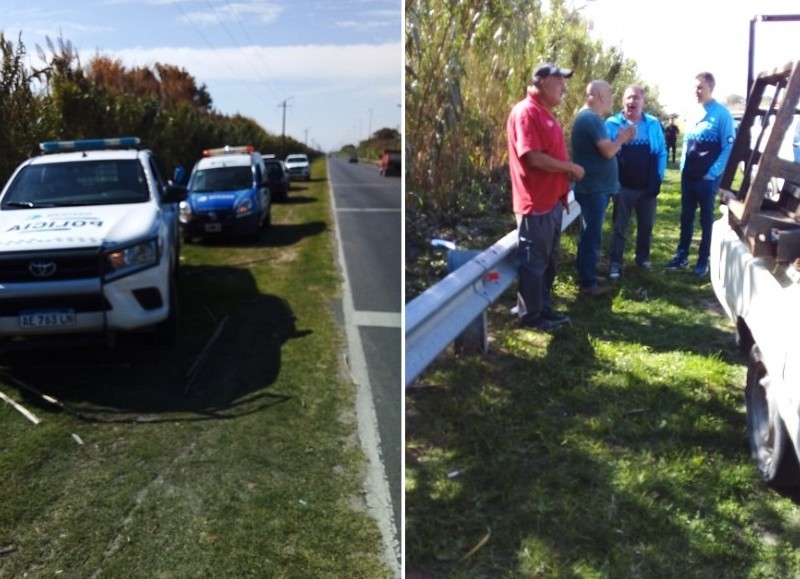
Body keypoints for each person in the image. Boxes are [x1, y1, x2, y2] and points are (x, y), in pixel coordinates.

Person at [507, 63, 585, 331]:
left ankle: (544, 308)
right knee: (534, 264)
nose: (564, 87)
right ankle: (531, 316)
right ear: (541, 83)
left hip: (551, 203)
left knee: (547, 262)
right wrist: (571, 168)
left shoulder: (544, 113)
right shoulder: (527, 112)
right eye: (559, 81)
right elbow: (533, 157)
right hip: (536, 203)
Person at [570, 80, 636, 295]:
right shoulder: (591, 119)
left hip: (595, 187)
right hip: (593, 188)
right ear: (598, 96)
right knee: (591, 236)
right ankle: (588, 283)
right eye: (609, 94)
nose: (612, 99)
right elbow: (608, 151)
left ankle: (587, 274)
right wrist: (622, 138)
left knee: (590, 234)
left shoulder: (588, 118)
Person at [666, 71, 735, 276]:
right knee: (686, 217)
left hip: (707, 179)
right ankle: (682, 256)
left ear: (710, 88)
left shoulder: (722, 114)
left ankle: (703, 260)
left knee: (706, 220)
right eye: (694, 87)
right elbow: (687, 141)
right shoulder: (693, 112)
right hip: (689, 176)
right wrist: (682, 166)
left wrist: (713, 173)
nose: (696, 91)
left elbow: (728, 147)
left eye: (700, 87)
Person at [605, 85, 667, 279]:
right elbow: (606, 153)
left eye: (636, 98)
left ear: (643, 102)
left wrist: (658, 177)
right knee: (619, 227)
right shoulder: (612, 124)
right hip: (622, 186)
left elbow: (661, 152)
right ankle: (615, 262)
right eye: (629, 98)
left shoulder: (653, 123)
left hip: (647, 185)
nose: (632, 102)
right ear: (623, 101)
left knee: (646, 226)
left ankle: (642, 258)